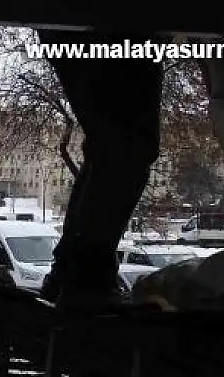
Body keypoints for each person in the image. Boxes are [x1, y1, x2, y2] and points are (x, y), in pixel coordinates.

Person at [35, 29, 167, 310]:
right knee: (128, 144)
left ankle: (74, 274)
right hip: (108, 27)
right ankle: (86, 279)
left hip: (80, 25)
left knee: (114, 144)